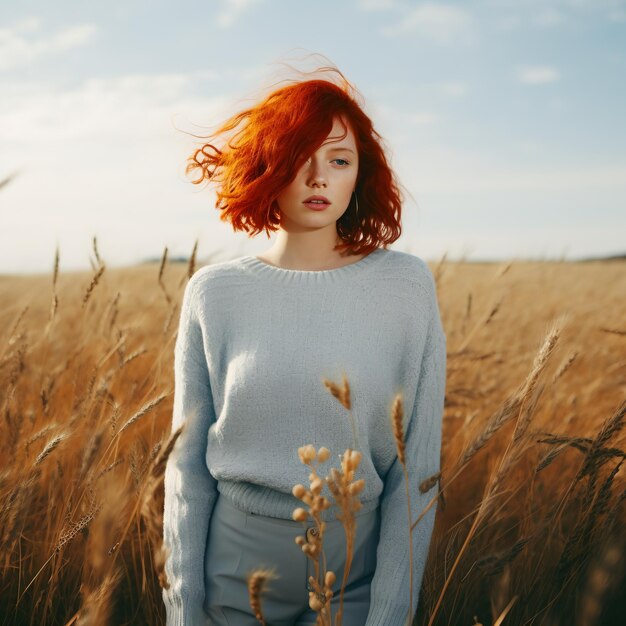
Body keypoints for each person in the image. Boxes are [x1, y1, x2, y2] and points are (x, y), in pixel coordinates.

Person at [162, 61, 447, 626]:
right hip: (234, 576)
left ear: (359, 175)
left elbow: (418, 469)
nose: (319, 178)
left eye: (339, 160)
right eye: (299, 157)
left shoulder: (406, 286)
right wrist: (182, 609)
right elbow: (186, 468)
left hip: (356, 577)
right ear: (268, 165)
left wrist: (390, 612)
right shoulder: (214, 293)